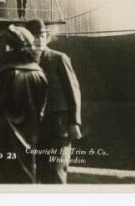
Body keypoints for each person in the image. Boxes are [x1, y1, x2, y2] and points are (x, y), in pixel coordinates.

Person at [0, 25, 48, 183]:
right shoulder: (38, 73)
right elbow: (40, 110)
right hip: (29, 138)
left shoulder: (0, 71)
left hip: (0, 140)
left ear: (9, 46)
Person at [24, 19, 82, 184]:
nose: (39, 40)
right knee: (37, 176)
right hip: (34, 131)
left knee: (56, 174)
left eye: (42, 36)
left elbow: (73, 91)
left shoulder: (59, 59)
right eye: (34, 36)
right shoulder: (24, 62)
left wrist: (74, 122)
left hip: (58, 129)